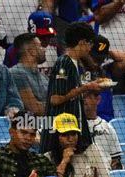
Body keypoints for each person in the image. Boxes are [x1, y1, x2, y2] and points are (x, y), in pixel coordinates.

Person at [41, 22, 103, 153]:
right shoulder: (64, 62)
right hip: (60, 134)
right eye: (89, 43)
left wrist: (90, 88)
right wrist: (86, 87)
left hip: (72, 129)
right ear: (81, 42)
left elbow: (70, 95)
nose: (90, 48)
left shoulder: (74, 64)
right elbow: (56, 99)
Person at [0, 111, 56, 177]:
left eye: (32, 134)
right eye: (23, 132)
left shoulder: (42, 161)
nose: (28, 138)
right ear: (11, 132)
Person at [44, 113, 111, 177]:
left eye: (73, 134)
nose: (70, 139)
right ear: (56, 137)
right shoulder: (47, 158)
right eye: (65, 135)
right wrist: (64, 161)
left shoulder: (92, 150)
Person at [4, 10, 60, 78]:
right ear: (32, 33)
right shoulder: (15, 50)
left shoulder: (55, 48)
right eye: (42, 37)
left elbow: (61, 74)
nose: (47, 40)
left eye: (49, 36)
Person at [10, 33, 49, 116]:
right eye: (40, 46)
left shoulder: (44, 77)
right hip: (27, 125)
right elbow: (34, 108)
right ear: (32, 52)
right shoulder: (16, 73)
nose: (44, 49)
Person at [83, 90, 122, 170]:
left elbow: (116, 159)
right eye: (83, 97)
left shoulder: (108, 128)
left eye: (89, 97)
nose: (85, 100)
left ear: (98, 100)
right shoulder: (74, 127)